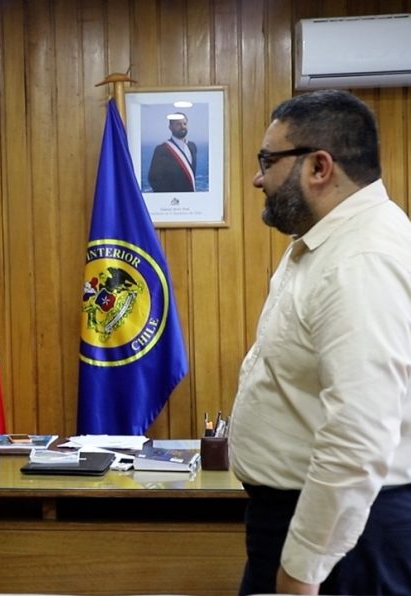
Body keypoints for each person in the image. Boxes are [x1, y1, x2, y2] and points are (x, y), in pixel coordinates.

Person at [229, 89, 411, 595]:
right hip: (312, 522)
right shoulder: (326, 244)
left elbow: (358, 433)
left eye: (268, 160)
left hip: (346, 540)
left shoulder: (361, 259)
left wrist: (304, 567)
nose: (258, 178)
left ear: (319, 167)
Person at [147, 111, 198, 192]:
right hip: (174, 200)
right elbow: (153, 179)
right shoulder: (162, 150)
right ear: (170, 127)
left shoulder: (192, 146)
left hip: (191, 199)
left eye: (185, 124)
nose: (182, 126)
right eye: (178, 124)